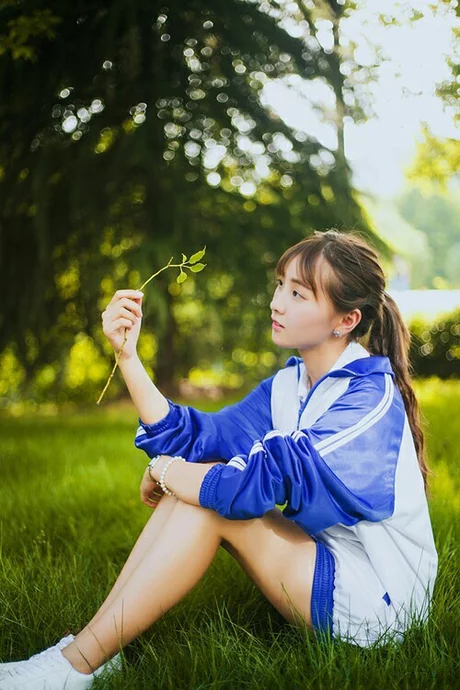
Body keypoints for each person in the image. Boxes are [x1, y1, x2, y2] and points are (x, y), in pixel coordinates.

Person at [0, 229, 438, 689]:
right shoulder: (290, 386)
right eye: (279, 285)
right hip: (326, 562)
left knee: (209, 501)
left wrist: (164, 470)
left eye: (297, 293)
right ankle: (89, 654)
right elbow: (201, 438)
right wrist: (127, 357)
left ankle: (75, 666)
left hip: (381, 606)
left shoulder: (367, 399)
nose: (277, 302)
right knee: (193, 491)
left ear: (345, 320)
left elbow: (249, 488)